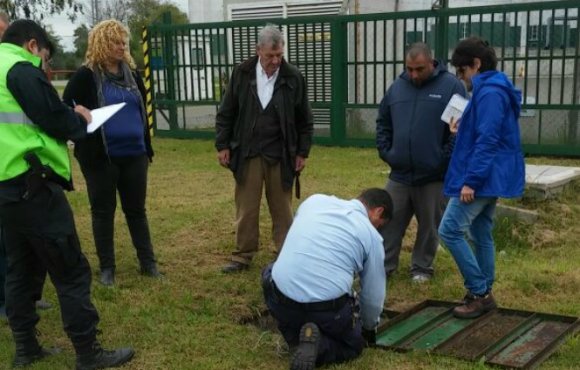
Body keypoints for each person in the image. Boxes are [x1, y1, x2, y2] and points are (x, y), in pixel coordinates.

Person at [0, 20, 134, 368]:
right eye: (45, 57)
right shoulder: (20, 68)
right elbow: (51, 118)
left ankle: (26, 348)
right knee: (71, 270)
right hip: (34, 186)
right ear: (32, 45)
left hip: (6, 188)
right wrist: (79, 120)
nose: (45, 65)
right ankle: (88, 352)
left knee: (21, 269)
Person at [63, 19, 159, 286]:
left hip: (135, 156)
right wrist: (78, 113)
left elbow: (143, 114)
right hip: (100, 159)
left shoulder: (132, 73)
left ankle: (148, 263)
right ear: (102, 43)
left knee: (137, 211)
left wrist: (147, 148)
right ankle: (107, 268)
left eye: (123, 42)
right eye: (115, 42)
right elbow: (65, 107)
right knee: (103, 212)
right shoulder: (86, 76)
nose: (121, 47)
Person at [215, 24, 314, 273]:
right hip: (248, 152)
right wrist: (223, 145)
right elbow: (226, 113)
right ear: (258, 50)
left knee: (283, 209)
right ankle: (242, 255)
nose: (275, 60)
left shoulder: (293, 77)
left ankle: (286, 254)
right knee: (246, 208)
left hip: (281, 154)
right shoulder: (242, 73)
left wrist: (302, 152)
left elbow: (305, 119)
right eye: (270, 55)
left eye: (279, 54)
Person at [438, 37, 525, 319]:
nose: (460, 78)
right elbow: (488, 131)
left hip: (483, 177)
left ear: (476, 65)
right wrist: (462, 129)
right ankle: (484, 290)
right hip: (493, 174)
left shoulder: (489, 93)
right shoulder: (492, 89)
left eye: (462, 71)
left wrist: (471, 181)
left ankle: (479, 293)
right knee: (480, 232)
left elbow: (488, 141)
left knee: (449, 230)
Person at [262, 188, 392, 370]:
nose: (377, 228)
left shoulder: (314, 201)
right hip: (327, 311)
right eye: (380, 224)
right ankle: (320, 346)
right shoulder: (371, 236)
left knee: (270, 271)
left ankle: (294, 334)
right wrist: (368, 329)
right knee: (353, 346)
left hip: (282, 300)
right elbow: (372, 297)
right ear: (378, 211)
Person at [376, 42, 467, 282]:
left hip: (434, 175)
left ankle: (421, 267)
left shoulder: (451, 87)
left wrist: (442, 158)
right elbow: (383, 122)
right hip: (400, 173)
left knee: (430, 225)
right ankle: (384, 266)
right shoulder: (397, 87)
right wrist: (387, 151)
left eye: (419, 69)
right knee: (389, 221)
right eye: (409, 69)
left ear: (431, 63)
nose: (413, 75)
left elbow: (458, 129)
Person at [0, 11, 53, 322]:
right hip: (7, 170)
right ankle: (7, 300)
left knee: (17, 241)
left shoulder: (19, 69)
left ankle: (25, 296)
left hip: (16, 168)